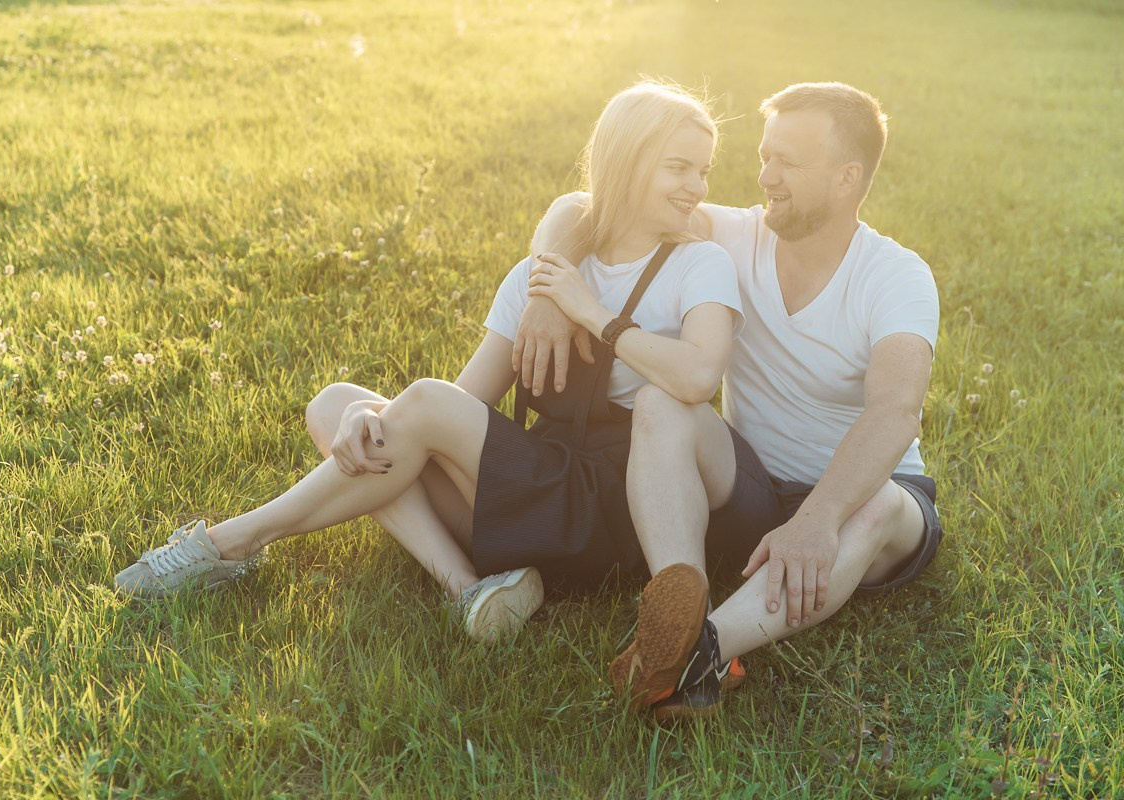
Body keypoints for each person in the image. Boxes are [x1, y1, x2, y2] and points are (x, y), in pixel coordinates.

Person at [114, 81, 745, 646]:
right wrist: (378, 417)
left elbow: (699, 377)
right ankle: (469, 588)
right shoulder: (535, 277)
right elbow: (466, 400)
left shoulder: (699, 265)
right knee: (337, 407)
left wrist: (588, 310)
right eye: (679, 167)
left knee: (408, 407)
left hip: (616, 511)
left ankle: (233, 541)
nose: (697, 188)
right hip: (538, 491)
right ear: (626, 163)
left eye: (703, 171)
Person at [523, 82, 941, 720]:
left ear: (847, 178)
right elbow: (586, 206)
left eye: (788, 163)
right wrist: (547, 290)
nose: (765, 176)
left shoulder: (896, 275)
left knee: (878, 504)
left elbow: (895, 412)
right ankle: (676, 599)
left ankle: (700, 649)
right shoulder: (735, 237)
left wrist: (817, 519)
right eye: (765, 156)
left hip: (863, 497)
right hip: (751, 488)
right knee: (663, 403)